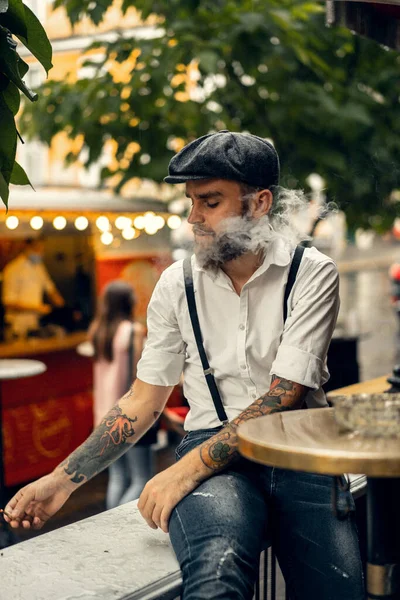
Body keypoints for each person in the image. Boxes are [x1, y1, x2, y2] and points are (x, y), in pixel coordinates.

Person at [4, 131, 364, 600]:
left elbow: (283, 395)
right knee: (215, 576)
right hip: (215, 459)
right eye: (191, 201)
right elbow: (142, 400)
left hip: (299, 448)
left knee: (335, 591)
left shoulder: (312, 272)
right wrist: (61, 481)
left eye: (209, 202)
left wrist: (183, 469)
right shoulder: (177, 284)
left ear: (259, 203)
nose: (193, 217)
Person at [88, 280, 153, 508]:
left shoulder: (98, 331)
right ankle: (113, 525)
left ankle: (106, 527)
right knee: (141, 478)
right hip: (129, 414)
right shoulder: (133, 331)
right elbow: (139, 373)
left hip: (103, 416)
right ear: (127, 301)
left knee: (118, 476)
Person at [2, 237, 64, 338]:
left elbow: (51, 291)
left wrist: (65, 311)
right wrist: (37, 308)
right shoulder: (12, 270)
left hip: (35, 324)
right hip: (17, 326)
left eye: (41, 250)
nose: (40, 253)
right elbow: (9, 302)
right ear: (26, 247)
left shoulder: (39, 267)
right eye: (37, 249)